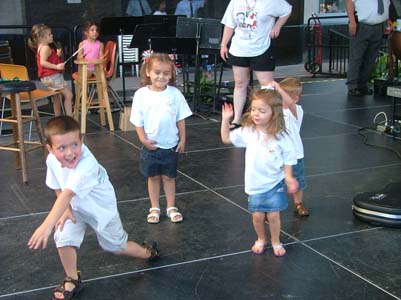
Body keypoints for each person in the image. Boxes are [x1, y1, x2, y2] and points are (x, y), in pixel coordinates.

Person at [27, 116, 160, 300]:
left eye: (75, 145)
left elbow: (67, 194)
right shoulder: (51, 160)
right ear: (50, 149)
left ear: (82, 140)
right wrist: (65, 210)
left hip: (101, 211)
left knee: (116, 247)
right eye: (62, 148)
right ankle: (72, 278)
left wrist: (46, 225)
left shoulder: (86, 165)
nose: (70, 153)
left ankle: (147, 252)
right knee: (63, 236)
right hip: (75, 208)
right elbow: (57, 185)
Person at [221, 88, 298, 256]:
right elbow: (226, 139)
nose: (255, 114)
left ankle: (276, 241)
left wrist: (289, 177)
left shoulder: (282, 136)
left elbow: (288, 158)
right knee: (257, 216)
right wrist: (225, 120)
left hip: (274, 183)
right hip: (255, 184)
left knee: (273, 216)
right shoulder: (249, 132)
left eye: (262, 111)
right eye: (254, 109)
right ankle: (261, 238)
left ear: (274, 113)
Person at [130, 53, 192, 224]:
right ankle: (155, 207)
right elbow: (137, 120)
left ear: (171, 74)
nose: (161, 77)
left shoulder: (175, 94)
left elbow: (181, 118)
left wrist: (183, 139)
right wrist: (143, 139)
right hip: (151, 147)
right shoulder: (141, 95)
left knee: (169, 177)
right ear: (148, 72)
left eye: (166, 73)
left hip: (170, 145)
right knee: (153, 177)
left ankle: (171, 206)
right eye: (157, 72)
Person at [220, 0, 292, 129]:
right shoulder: (235, 2)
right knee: (240, 84)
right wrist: (224, 44)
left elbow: (287, 10)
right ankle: (237, 119)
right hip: (239, 48)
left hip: (261, 48)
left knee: (267, 85)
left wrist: (277, 26)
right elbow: (229, 24)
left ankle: (271, 118)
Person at [270, 78, 309, 217]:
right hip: (277, 154)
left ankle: (298, 203)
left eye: (283, 95)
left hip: (294, 154)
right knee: (274, 180)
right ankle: (272, 203)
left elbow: (290, 103)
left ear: (295, 98)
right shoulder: (275, 110)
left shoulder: (296, 111)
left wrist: (279, 89)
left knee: (298, 179)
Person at [345, 0, 391, 96]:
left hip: (380, 24)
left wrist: (388, 20)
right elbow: (349, 1)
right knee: (357, 57)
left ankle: (362, 84)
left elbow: (388, 4)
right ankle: (352, 86)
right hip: (362, 24)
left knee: (371, 58)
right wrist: (352, 21)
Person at [28, 24, 73, 117]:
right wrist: (57, 67)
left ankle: (58, 117)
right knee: (69, 95)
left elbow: (49, 59)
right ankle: (70, 117)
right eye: (49, 34)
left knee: (57, 96)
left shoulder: (41, 47)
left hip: (48, 77)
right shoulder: (45, 48)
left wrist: (57, 55)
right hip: (52, 76)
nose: (52, 36)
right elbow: (43, 62)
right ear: (41, 37)